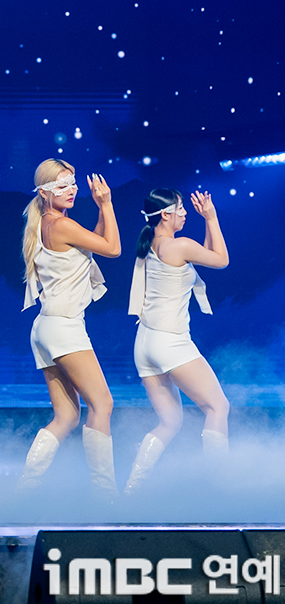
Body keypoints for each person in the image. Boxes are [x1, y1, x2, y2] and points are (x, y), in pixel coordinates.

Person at [17, 159, 121, 493]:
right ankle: (105, 494)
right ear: (44, 192)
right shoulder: (61, 225)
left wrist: (102, 209)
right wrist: (107, 204)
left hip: (46, 327)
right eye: (62, 185)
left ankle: (25, 490)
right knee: (102, 404)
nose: (72, 190)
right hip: (63, 327)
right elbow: (113, 248)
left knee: (67, 416)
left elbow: (97, 241)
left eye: (73, 183)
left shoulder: (45, 224)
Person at [124, 189, 229, 493]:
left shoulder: (151, 245)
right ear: (165, 214)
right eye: (180, 208)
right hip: (170, 342)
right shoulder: (179, 245)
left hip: (145, 344)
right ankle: (220, 488)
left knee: (170, 422)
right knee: (218, 407)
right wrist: (211, 218)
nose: (185, 213)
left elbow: (206, 255)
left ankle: (132, 490)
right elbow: (221, 259)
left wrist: (206, 221)